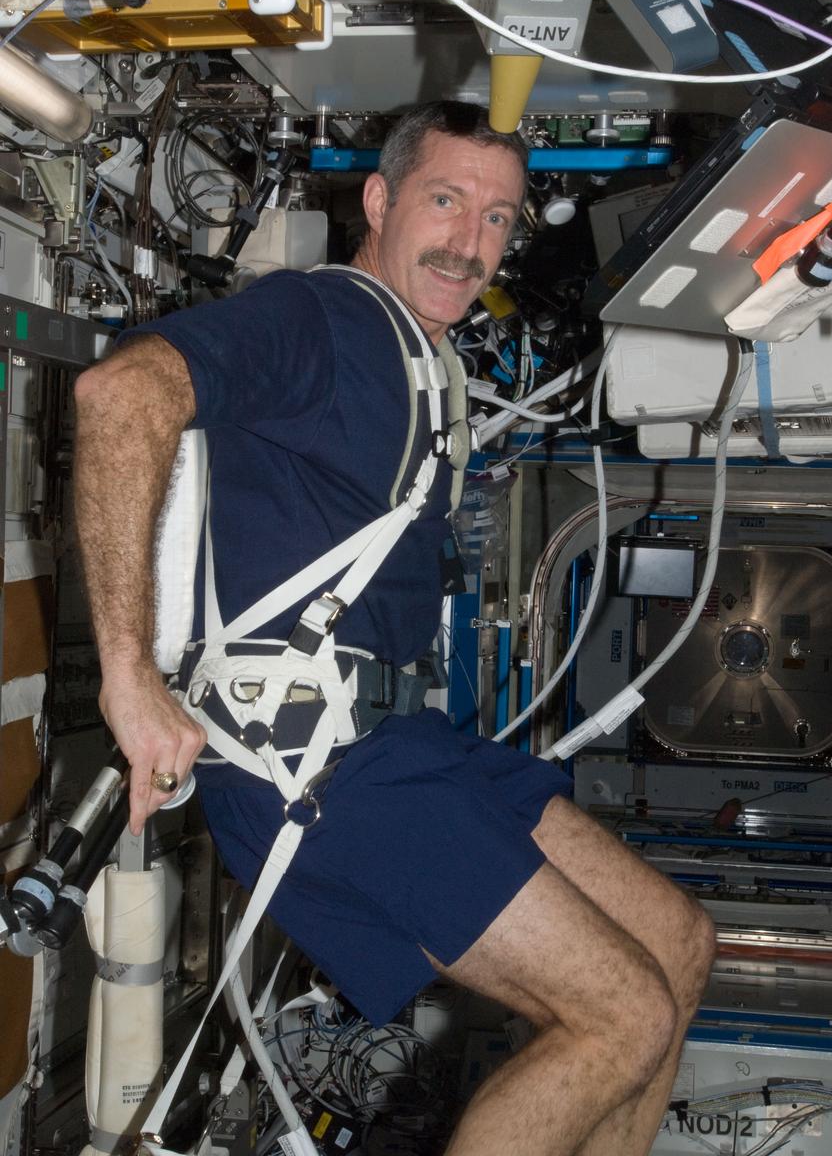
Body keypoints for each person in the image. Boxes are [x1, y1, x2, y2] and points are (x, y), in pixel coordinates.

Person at [73, 101, 715, 1156]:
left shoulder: (423, 366)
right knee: (621, 1012)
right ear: (378, 199)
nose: (470, 241)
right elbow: (118, 396)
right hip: (309, 756)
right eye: (446, 201)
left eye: (499, 217)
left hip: (396, 739)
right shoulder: (316, 317)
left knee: (677, 944)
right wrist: (129, 676)